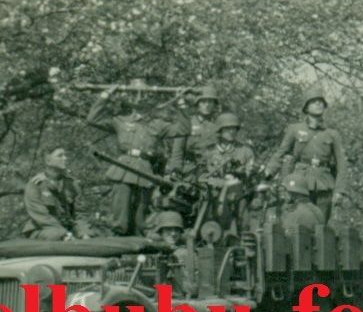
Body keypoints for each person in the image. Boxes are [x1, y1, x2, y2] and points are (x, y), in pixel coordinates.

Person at [87, 81, 189, 235]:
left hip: (145, 171)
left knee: (140, 218)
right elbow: (92, 119)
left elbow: (184, 129)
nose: (140, 99)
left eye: (144, 95)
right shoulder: (121, 120)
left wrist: (181, 103)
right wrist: (105, 96)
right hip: (123, 169)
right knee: (120, 215)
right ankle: (117, 241)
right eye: (135, 95)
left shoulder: (158, 124)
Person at [265, 84, 349, 222]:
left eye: (321, 101)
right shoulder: (294, 129)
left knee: (320, 224)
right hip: (299, 182)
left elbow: (342, 165)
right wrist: (268, 173)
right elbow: (281, 153)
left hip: (324, 184)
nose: (318, 103)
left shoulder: (332, 134)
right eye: (314, 101)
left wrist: (339, 190)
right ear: (306, 106)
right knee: (296, 220)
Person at [22, 147, 94, 240]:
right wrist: (63, 234)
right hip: (43, 229)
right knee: (54, 237)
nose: (65, 158)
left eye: (65, 155)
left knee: (93, 236)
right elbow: (41, 217)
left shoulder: (71, 184)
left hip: (69, 228)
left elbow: (81, 213)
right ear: (48, 161)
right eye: (60, 156)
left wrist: (84, 232)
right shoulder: (35, 185)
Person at [169, 83, 222, 175]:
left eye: (210, 102)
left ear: (214, 105)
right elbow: (178, 150)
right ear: (198, 104)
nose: (207, 105)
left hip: (211, 172)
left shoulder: (218, 126)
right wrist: (176, 170)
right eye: (203, 101)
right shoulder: (187, 123)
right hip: (188, 171)